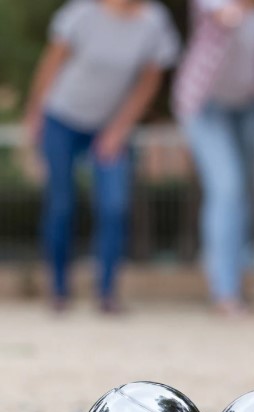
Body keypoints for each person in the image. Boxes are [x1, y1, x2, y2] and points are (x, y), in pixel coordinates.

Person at [24, 0, 180, 313]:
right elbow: (51, 63)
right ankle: (59, 290)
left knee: (114, 206)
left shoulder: (153, 22)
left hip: (109, 127)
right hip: (62, 119)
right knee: (61, 203)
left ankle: (107, 292)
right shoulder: (80, 14)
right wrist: (35, 114)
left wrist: (119, 129)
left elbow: (150, 80)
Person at [174, 0, 254, 317]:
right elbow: (218, 14)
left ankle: (235, 280)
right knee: (227, 188)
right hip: (204, 106)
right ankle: (225, 292)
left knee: (244, 194)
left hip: (247, 107)